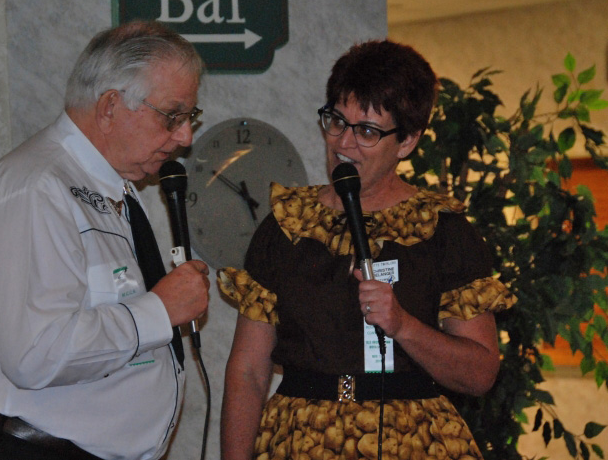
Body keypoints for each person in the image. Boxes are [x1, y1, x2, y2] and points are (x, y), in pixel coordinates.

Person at [218, 39, 517, 460]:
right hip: (299, 441)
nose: (344, 143)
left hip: (411, 444)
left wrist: (403, 325)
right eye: (337, 121)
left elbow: (480, 374)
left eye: (368, 131)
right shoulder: (287, 225)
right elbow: (248, 372)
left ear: (407, 142)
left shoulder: (442, 231)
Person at [0, 21, 210, 460]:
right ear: (110, 106)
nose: (185, 137)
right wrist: (160, 310)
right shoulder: (36, 188)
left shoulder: (108, 189)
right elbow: (36, 354)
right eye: (172, 116)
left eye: (189, 117)